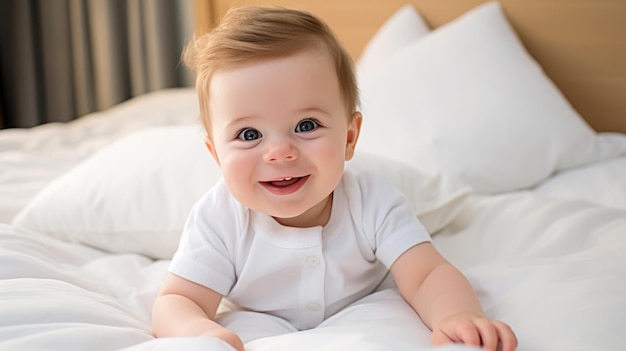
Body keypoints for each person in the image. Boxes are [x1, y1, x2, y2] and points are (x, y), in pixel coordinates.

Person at [152, 6, 517, 351]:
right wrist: (201, 332)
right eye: (249, 135)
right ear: (216, 153)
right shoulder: (219, 219)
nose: (279, 152)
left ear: (349, 137)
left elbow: (426, 274)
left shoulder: (372, 201)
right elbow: (178, 300)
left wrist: (456, 315)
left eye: (306, 126)